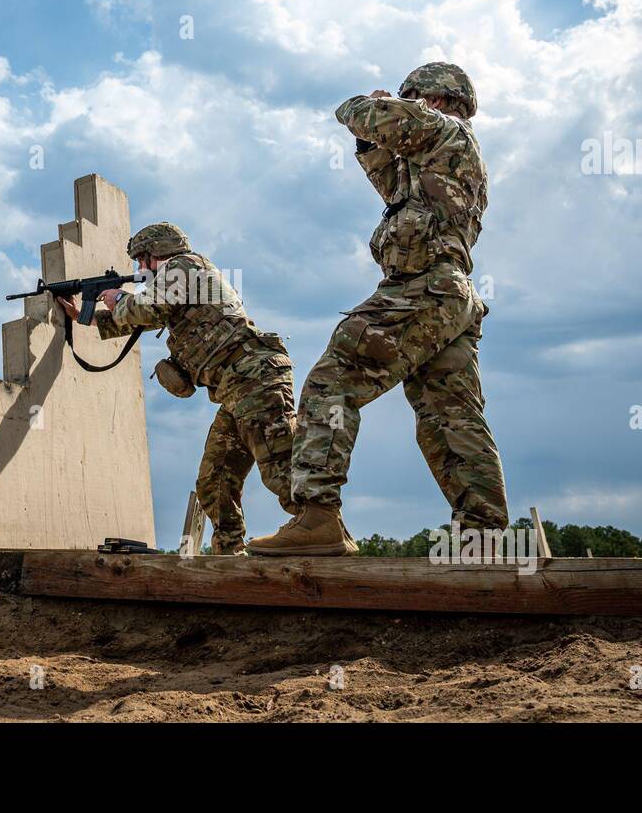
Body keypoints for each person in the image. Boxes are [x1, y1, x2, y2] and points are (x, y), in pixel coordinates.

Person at [248, 62, 508, 557]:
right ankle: (484, 535)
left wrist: (357, 105)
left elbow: (378, 118)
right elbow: (390, 181)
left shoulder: (447, 129)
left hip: (423, 287)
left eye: (416, 97)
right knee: (450, 415)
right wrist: (370, 145)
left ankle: (317, 516)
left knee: (333, 380)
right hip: (446, 296)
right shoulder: (440, 156)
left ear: (436, 99)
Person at [57, 222, 299, 555]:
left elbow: (146, 309)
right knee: (214, 481)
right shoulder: (176, 280)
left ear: (158, 252)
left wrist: (114, 297)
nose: (141, 270)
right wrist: (85, 317)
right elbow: (148, 315)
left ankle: (318, 530)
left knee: (280, 465)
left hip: (255, 379)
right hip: (235, 390)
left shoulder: (185, 266)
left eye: (143, 261)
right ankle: (229, 552)